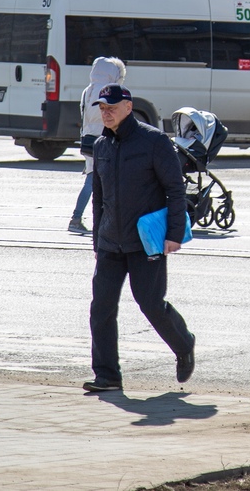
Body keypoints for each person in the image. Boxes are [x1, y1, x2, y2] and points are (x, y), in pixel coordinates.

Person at [84, 84, 195, 392]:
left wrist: (174, 234)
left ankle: (184, 344)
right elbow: (98, 198)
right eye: (102, 109)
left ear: (128, 107)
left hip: (146, 242)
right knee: (101, 308)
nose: (106, 113)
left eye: (112, 108)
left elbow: (175, 189)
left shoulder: (153, 141)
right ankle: (107, 376)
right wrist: (97, 241)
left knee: (150, 303)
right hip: (110, 242)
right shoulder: (101, 146)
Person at [70, 57, 126, 235]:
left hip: (88, 139)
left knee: (94, 179)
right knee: (98, 181)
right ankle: (78, 218)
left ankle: (83, 219)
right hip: (105, 140)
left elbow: (83, 114)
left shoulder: (88, 90)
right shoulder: (109, 92)